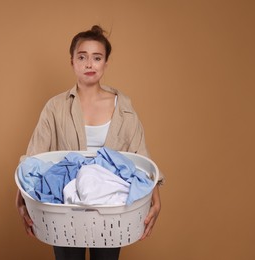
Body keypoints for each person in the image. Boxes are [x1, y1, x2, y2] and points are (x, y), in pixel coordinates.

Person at [16, 25, 164, 260]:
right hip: (65, 206)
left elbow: (141, 157)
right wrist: (22, 200)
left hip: (111, 207)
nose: (89, 64)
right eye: (82, 57)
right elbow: (33, 159)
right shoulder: (55, 107)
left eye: (97, 58)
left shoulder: (123, 107)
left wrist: (156, 201)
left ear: (105, 63)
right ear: (72, 61)